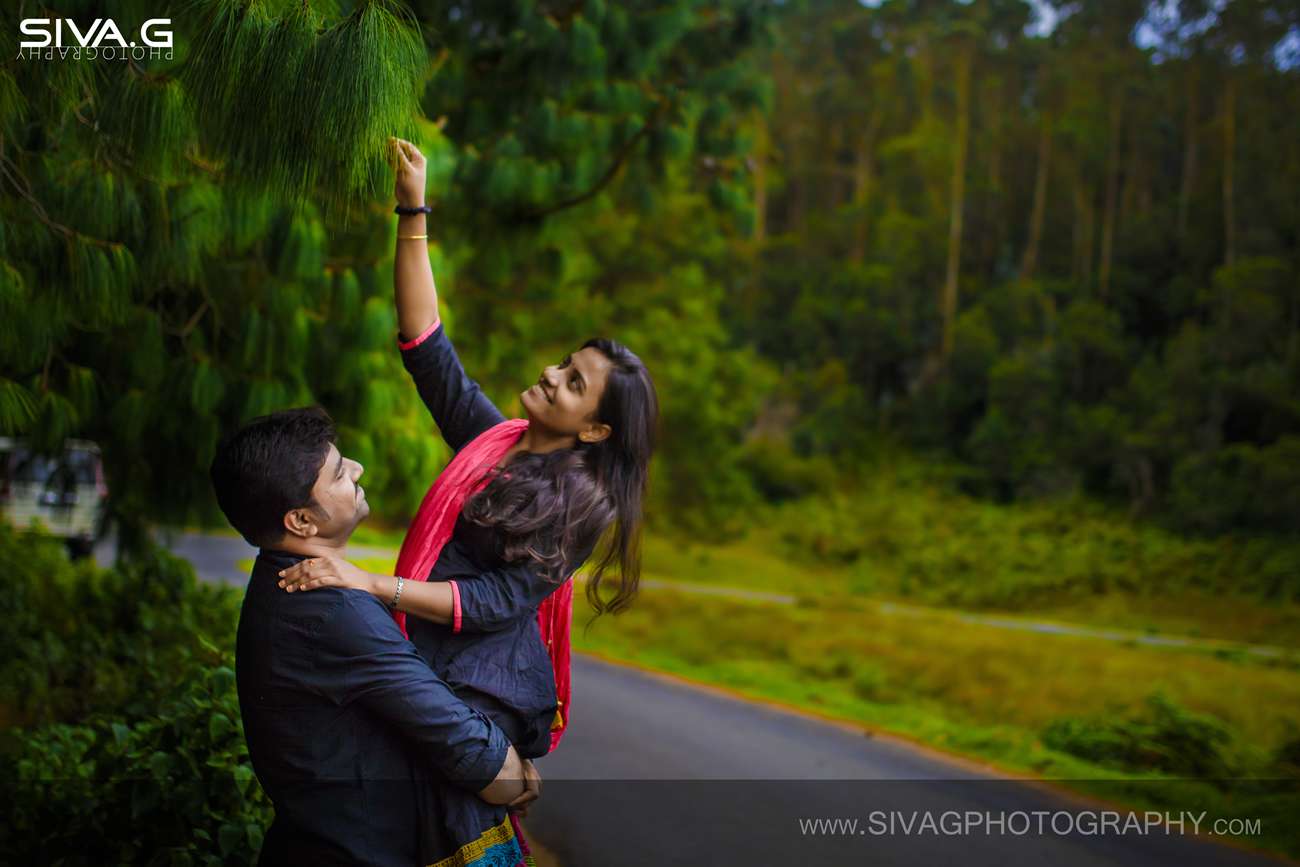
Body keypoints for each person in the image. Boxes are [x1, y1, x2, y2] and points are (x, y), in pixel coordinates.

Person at [274, 136, 661, 864]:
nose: (550, 375)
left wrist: (363, 581)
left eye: (573, 384)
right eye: (564, 364)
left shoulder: (582, 505)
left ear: (596, 428)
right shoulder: (496, 439)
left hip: (474, 686)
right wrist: (413, 206)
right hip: (420, 660)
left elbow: (488, 603)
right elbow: (425, 343)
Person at [210, 407, 537, 867]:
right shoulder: (333, 611)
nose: (357, 469)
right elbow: (477, 758)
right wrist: (513, 770)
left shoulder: (281, 583)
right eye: (340, 473)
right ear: (302, 521)